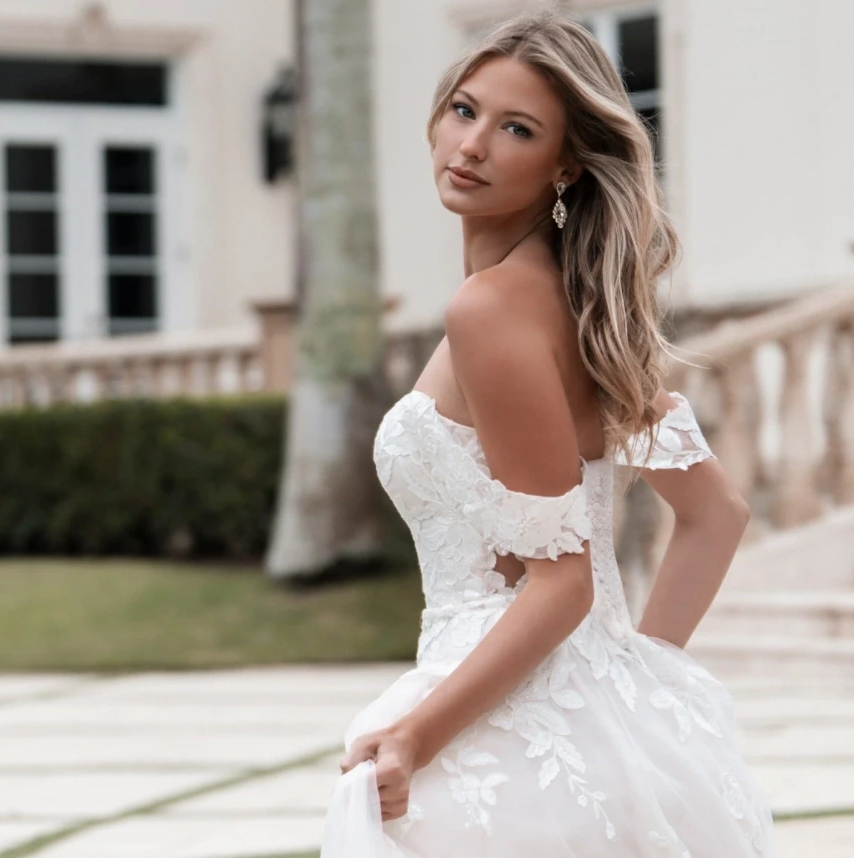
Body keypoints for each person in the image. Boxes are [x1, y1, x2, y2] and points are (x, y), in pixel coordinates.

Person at [321, 11, 778, 857]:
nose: (473, 144)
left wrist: (419, 735)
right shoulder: (580, 311)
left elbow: (561, 584)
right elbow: (717, 514)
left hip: (501, 737)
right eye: (465, 110)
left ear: (565, 163)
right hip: (574, 721)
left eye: (516, 129)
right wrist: (641, 684)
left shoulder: (490, 311)